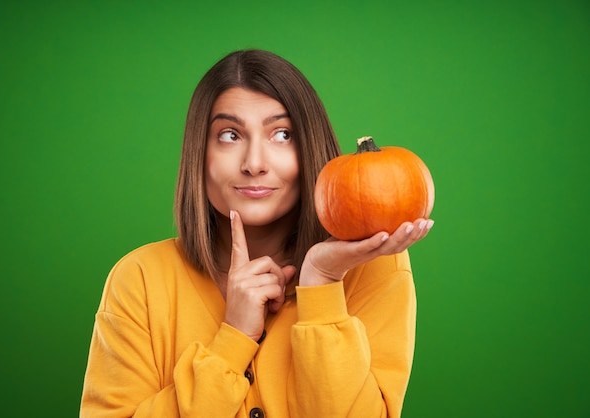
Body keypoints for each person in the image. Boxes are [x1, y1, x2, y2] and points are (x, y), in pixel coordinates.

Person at [80, 49, 433, 418]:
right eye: (230, 135)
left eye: (281, 134)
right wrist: (233, 338)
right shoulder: (139, 279)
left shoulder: (375, 267)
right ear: (199, 154)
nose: (254, 164)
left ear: (310, 146)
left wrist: (322, 285)